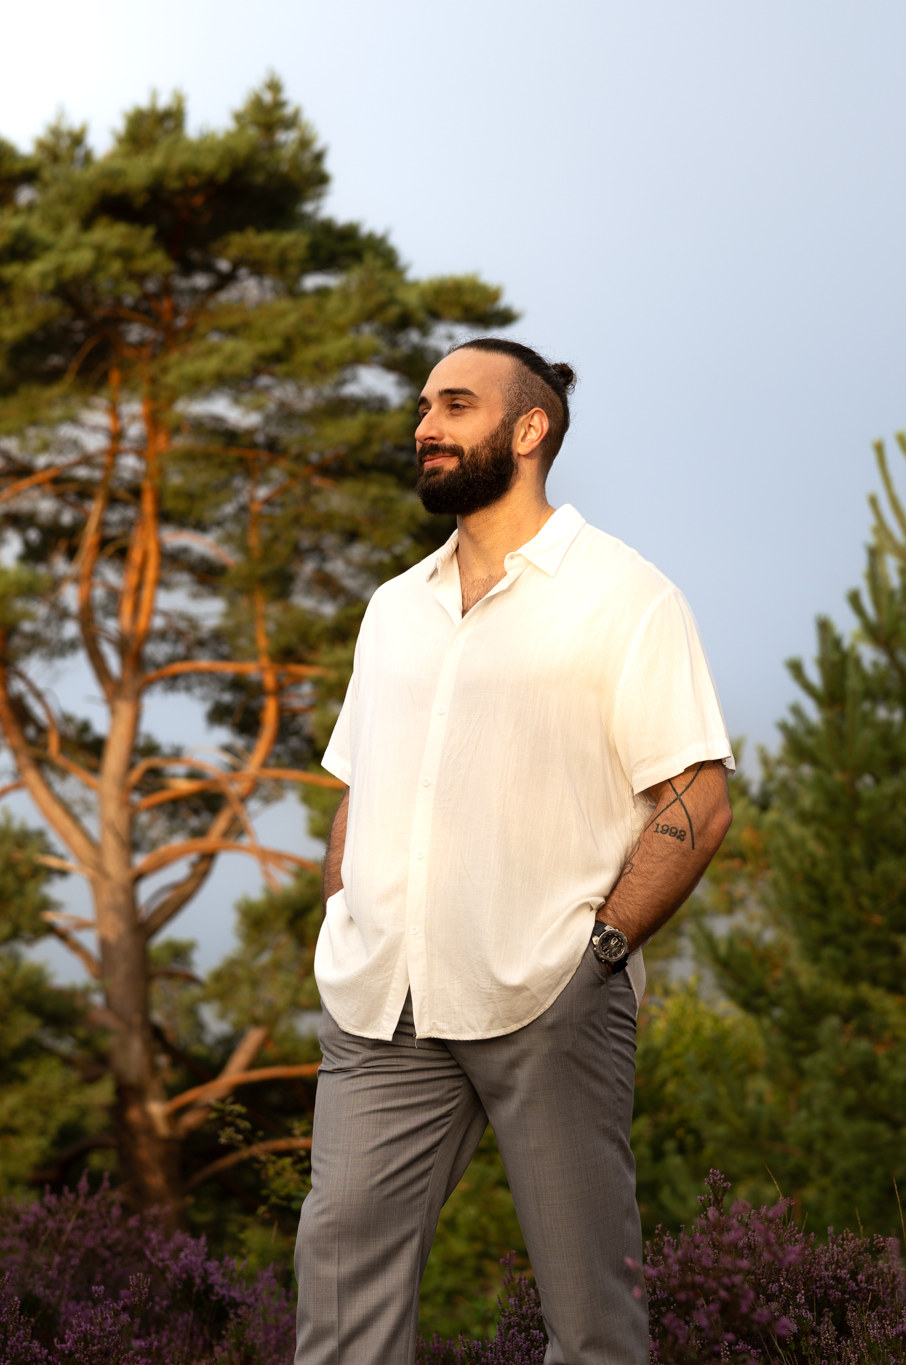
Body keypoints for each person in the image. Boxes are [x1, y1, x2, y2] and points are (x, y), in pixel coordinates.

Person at [294, 338, 734, 1365]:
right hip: (381, 1008)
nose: (424, 427)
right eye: (422, 407)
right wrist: (342, 918)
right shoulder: (392, 609)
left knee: (588, 1318)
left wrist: (602, 959)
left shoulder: (626, 598)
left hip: (550, 997)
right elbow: (358, 787)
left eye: (454, 405)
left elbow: (697, 804)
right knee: (338, 1291)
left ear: (527, 431)